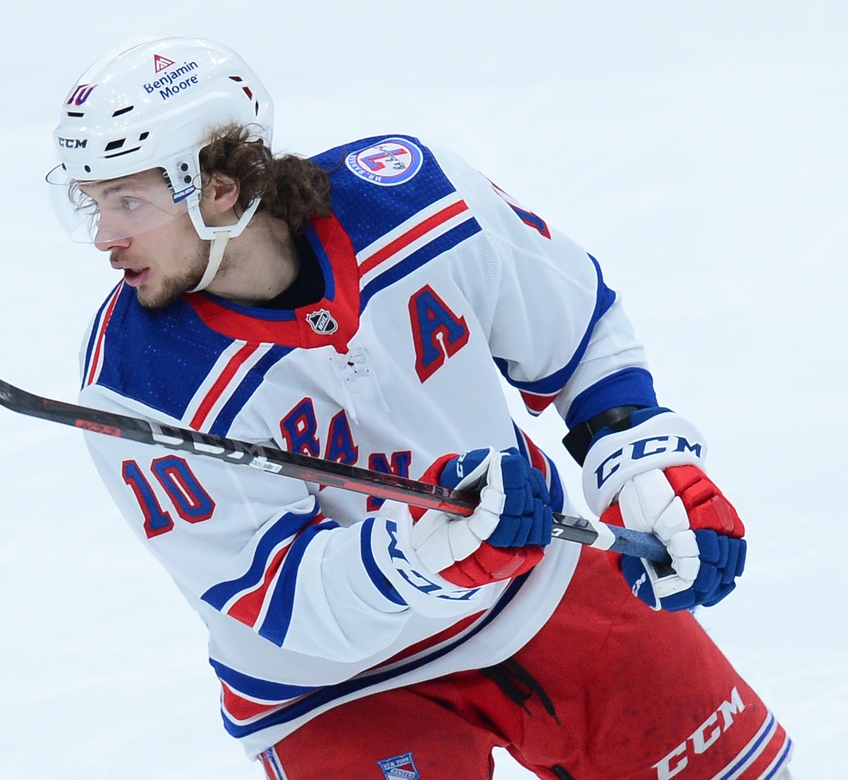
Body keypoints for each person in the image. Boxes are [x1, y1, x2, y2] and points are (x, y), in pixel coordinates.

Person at [49, 36, 792, 780]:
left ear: (218, 189)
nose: (104, 239)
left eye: (128, 201)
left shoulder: (414, 199)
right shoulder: (136, 383)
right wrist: (420, 552)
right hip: (335, 690)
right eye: (93, 202)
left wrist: (639, 462)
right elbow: (276, 598)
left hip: (536, 580)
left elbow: (573, 328)